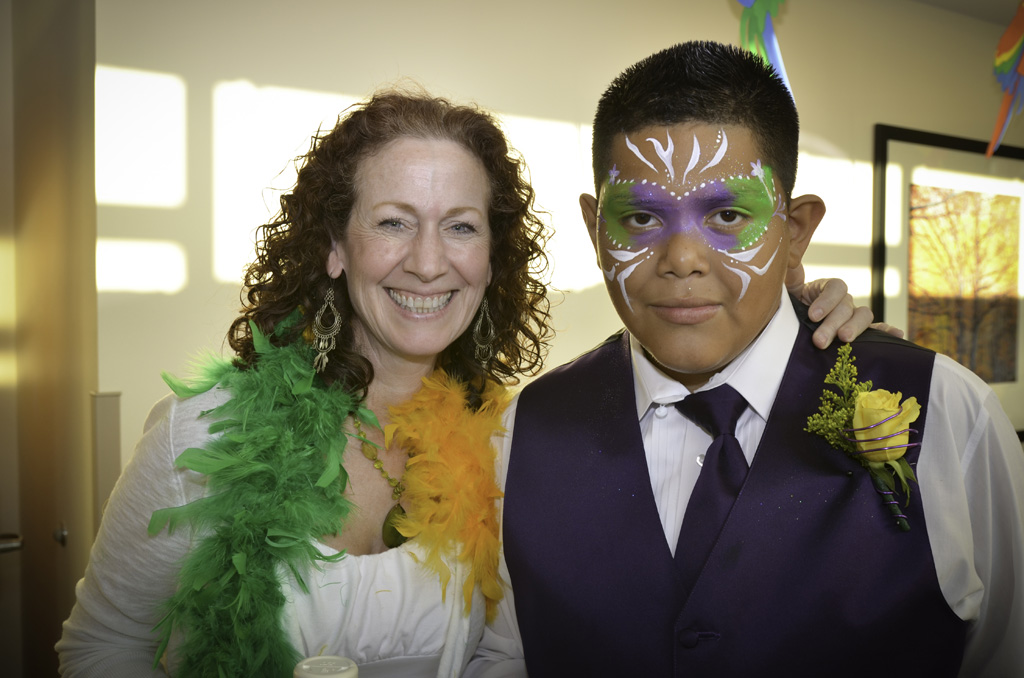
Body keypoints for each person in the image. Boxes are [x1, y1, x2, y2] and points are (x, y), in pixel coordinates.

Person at [57, 88, 872, 678]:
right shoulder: (199, 436)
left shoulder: (514, 443)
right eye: (391, 222)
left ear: (491, 258)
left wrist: (790, 321)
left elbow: (506, 657)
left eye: (460, 227)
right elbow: (99, 648)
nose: (427, 260)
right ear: (335, 247)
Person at [468, 42, 1024, 677]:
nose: (682, 258)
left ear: (794, 233)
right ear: (596, 231)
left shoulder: (950, 414)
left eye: (729, 214)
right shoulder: (522, 433)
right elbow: (504, 658)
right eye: (642, 216)